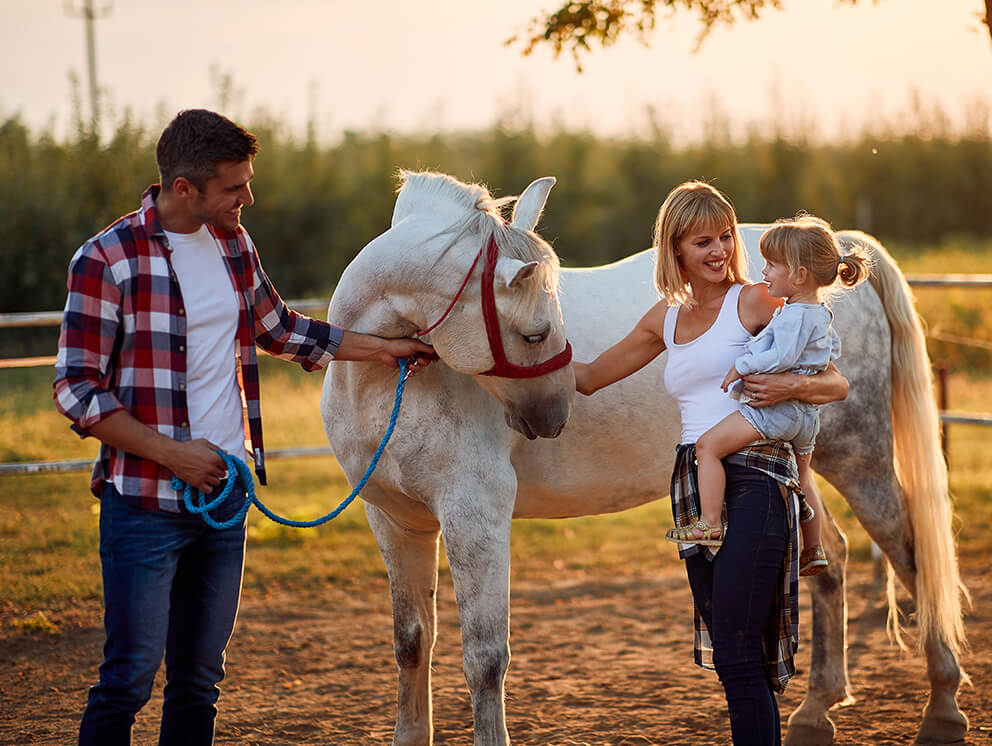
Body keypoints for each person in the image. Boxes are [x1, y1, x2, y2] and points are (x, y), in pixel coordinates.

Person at [53, 109, 435, 746]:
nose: (247, 198)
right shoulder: (106, 260)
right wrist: (173, 455)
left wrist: (386, 349)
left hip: (225, 495)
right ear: (185, 188)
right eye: (234, 187)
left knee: (200, 680)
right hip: (145, 503)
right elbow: (75, 389)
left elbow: (279, 329)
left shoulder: (234, 244)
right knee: (129, 676)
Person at [572, 181, 849, 745]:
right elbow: (588, 379)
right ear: (675, 249)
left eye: (725, 236)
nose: (721, 250)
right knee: (730, 653)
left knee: (744, 653)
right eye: (704, 241)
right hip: (696, 485)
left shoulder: (756, 300)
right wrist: (486, 358)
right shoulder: (663, 320)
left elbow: (837, 381)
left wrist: (791, 383)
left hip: (758, 476)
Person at [665, 214, 871, 577]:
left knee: (708, 447)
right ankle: (815, 547)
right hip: (807, 419)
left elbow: (781, 357)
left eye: (773, 265)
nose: (765, 271)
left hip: (780, 412)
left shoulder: (793, 316)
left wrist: (743, 364)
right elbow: (829, 351)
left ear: (799, 275)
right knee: (804, 479)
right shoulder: (819, 313)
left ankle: (709, 522)